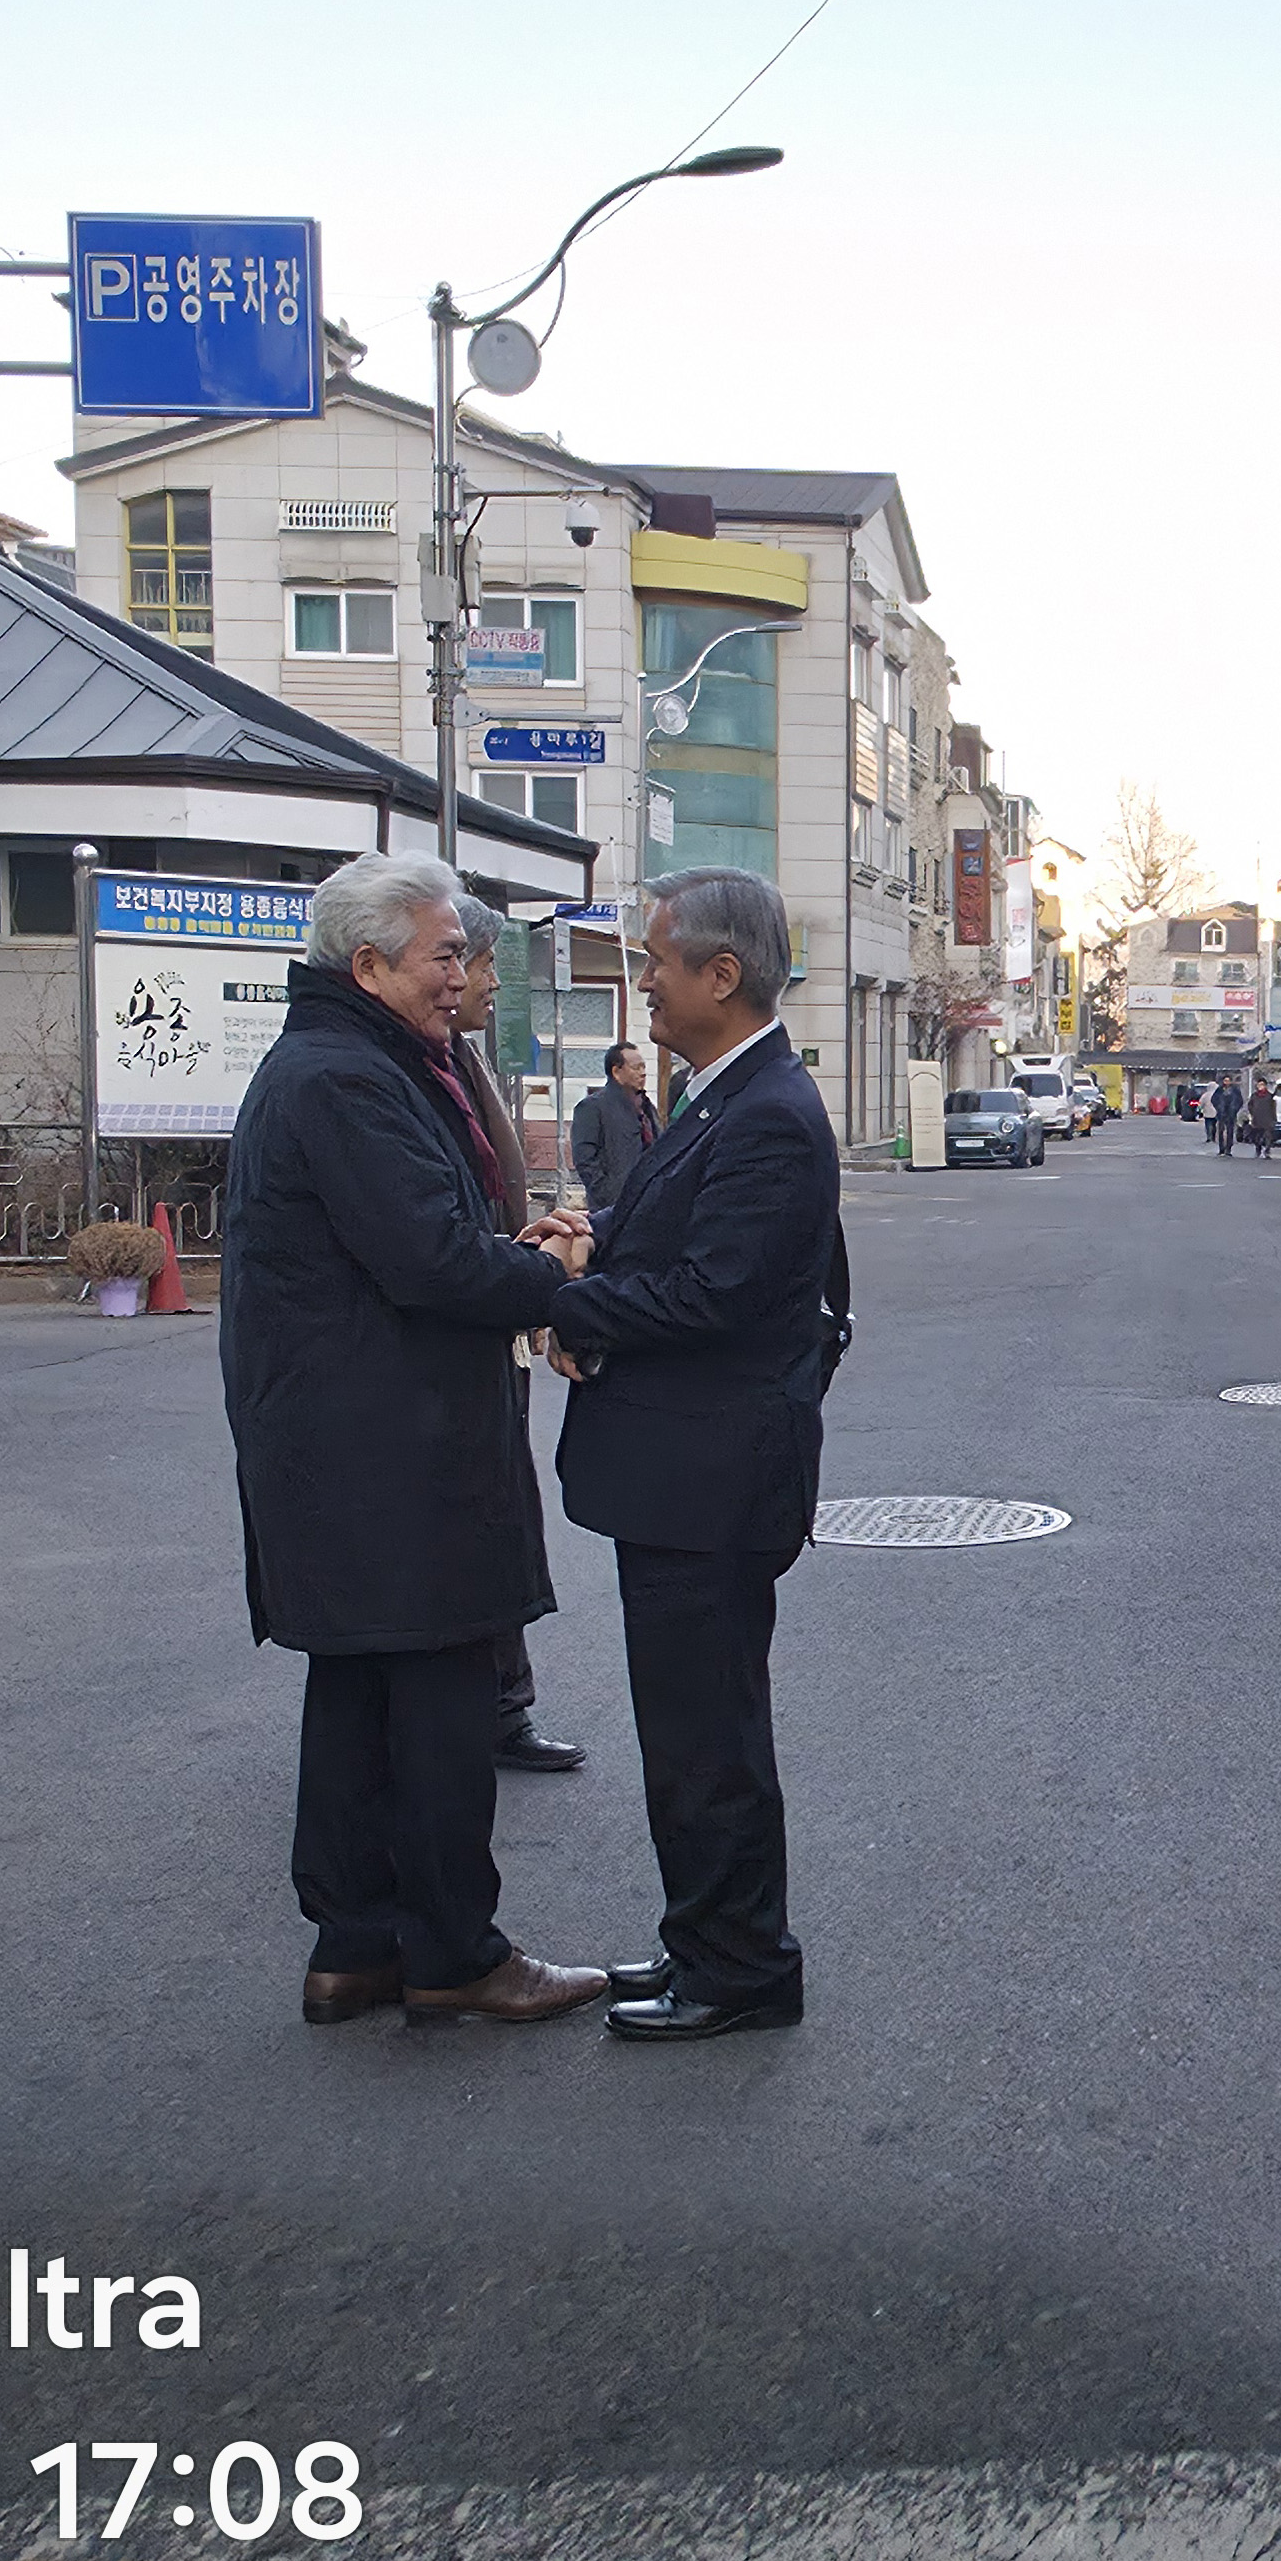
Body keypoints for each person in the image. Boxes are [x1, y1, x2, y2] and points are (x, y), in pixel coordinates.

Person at [219, 852, 609, 2030]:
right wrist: (549, 1270)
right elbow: (432, 1261)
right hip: (388, 1451)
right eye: (445, 953)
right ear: (369, 963)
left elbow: (412, 1236)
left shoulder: (348, 1058)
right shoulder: (348, 1075)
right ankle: (451, 1950)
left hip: (348, 1439)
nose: (463, 972)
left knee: (359, 1692)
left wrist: (508, 1251)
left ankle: (355, 1946)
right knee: (437, 1701)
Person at [539, 866, 850, 2044]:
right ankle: (705, 1937)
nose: (644, 984)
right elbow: (671, 1226)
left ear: (723, 975)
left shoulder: (767, 1110)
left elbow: (711, 1291)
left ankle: (741, 1967)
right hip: (684, 1477)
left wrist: (565, 1300)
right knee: (688, 1731)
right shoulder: (723, 1094)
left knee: (707, 1739)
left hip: (710, 1484)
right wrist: (593, 1235)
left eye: (657, 962)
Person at [436, 920, 584, 1778]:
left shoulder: (461, 1057)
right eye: (474, 963)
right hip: (474, 1310)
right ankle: (489, 1704)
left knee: (502, 1504)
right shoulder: (407, 1068)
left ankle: (502, 1700)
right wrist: (537, 1275)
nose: (484, 983)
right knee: (483, 1511)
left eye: (481, 963)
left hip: (497, 1303)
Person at [571, 1046, 664, 1217]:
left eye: (644, 1067)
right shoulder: (592, 1107)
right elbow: (584, 1158)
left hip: (650, 1206)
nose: (643, 1073)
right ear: (616, 1072)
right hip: (611, 1208)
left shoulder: (647, 1108)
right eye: (636, 1068)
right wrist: (608, 1194)